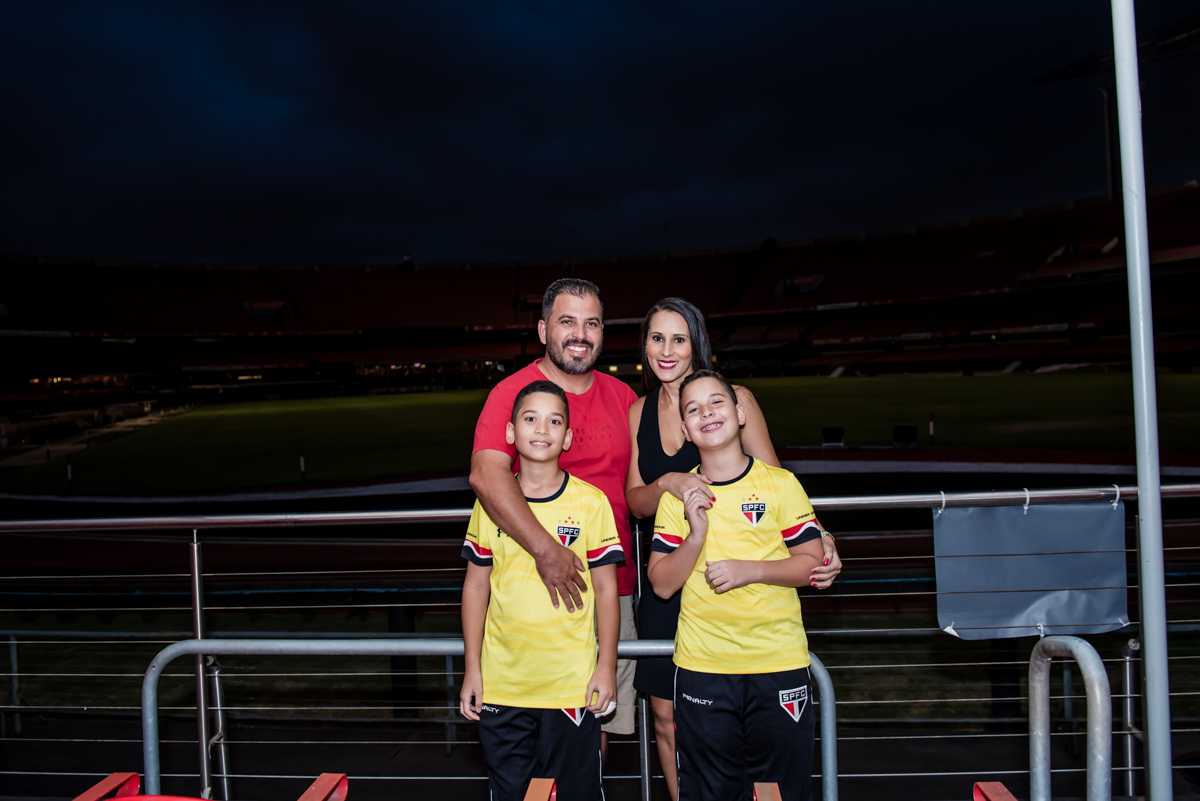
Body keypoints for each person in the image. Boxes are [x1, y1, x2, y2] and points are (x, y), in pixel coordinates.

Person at [625, 298, 841, 800]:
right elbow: (636, 501)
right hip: (675, 558)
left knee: (750, 724)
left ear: (696, 342)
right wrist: (673, 482)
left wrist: (819, 539)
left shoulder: (734, 397)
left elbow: (773, 480)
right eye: (656, 338)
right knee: (667, 712)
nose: (667, 349)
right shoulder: (639, 409)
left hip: (743, 583)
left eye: (679, 338)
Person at [470, 278, 641, 750]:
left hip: (610, 588)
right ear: (544, 329)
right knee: (527, 738)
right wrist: (548, 551)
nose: (580, 334)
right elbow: (486, 475)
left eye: (592, 323)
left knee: (594, 733)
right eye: (568, 322)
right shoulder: (514, 391)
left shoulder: (623, 397)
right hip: (527, 588)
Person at [649, 369, 825, 801]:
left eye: (717, 402)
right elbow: (661, 585)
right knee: (710, 791)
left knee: (783, 790)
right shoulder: (679, 497)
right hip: (704, 671)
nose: (706, 413)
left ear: (740, 412)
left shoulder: (780, 484)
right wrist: (695, 536)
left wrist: (751, 570)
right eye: (693, 409)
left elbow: (812, 564)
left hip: (777, 664)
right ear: (686, 430)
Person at [460, 380, 624, 801]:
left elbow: (607, 590)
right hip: (502, 685)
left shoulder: (591, 503)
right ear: (511, 432)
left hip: (569, 685)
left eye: (554, 421)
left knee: (576, 792)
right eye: (530, 419)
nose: (541, 429)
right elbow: (477, 586)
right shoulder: (490, 505)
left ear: (567, 437)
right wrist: (473, 669)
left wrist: (606, 667)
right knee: (511, 793)